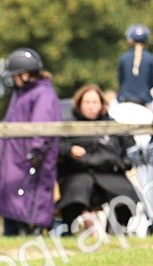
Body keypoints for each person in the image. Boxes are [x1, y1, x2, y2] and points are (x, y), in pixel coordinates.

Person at [0, 47, 61, 236]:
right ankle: (14, 234)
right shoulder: (22, 94)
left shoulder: (42, 94)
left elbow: (42, 124)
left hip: (29, 158)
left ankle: (29, 234)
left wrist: (35, 150)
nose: (12, 79)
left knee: (29, 198)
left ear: (25, 75)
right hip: (15, 156)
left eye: (15, 75)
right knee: (13, 199)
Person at [56, 84, 141, 234]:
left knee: (126, 197)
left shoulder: (113, 126)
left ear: (102, 104)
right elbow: (56, 146)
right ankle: (67, 231)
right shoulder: (69, 126)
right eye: (87, 102)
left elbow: (130, 151)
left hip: (110, 173)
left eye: (95, 102)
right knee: (74, 198)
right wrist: (69, 151)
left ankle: (117, 231)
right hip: (78, 172)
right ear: (79, 104)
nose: (91, 107)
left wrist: (124, 163)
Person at [116, 24, 153, 111]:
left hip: (125, 100)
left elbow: (121, 82)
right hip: (144, 101)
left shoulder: (123, 58)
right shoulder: (150, 58)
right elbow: (151, 83)